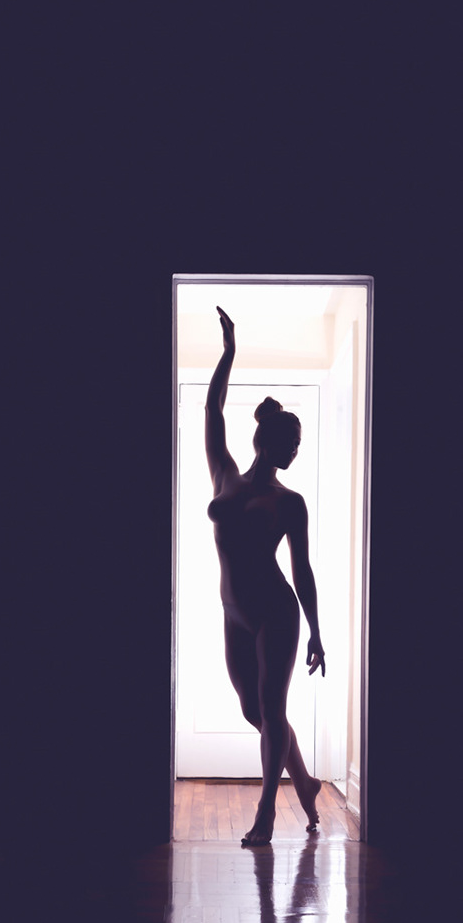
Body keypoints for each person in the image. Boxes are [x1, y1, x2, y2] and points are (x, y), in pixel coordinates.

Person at [204, 307, 325, 846]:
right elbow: (213, 409)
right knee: (254, 710)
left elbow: (303, 570)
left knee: (273, 710)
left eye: (298, 445)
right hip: (233, 612)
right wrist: (229, 352)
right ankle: (306, 781)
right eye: (289, 442)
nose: (294, 451)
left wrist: (316, 630)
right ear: (265, 442)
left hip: (276, 612)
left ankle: (267, 813)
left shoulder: (289, 502)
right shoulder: (225, 477)